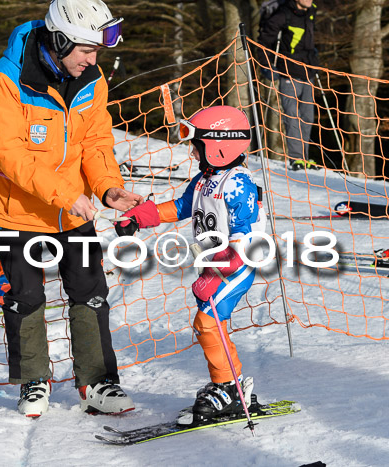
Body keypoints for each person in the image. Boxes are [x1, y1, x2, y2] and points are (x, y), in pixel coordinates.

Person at [0, 0, 143, 418]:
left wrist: (108, 189)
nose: (92, 61)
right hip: (17, 207)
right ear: (60, 40)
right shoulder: (5, 80)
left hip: (74, 208)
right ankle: (33, 379)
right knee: (27, 294)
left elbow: (96, 143)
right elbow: (8, 154)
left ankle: (99, 380)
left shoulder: (93, 78)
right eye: (86, 50)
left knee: (90, 289)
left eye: (96, 52)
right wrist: (64, 194)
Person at [114, 105, 263, 424]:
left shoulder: (238, 184)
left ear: (219, 147)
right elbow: (183, 206)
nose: (194, 154)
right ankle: (234, 386)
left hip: (237, 265)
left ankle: (227, 388)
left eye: (198, 147)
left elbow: (244, 237)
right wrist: (141, 217)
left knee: (206, 322)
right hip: (213, 263)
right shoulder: (206, 178)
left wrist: (220, 271)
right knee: (214, 322)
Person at [258, 0, 319, 170]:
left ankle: (305, 158)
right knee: (292, 114)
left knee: (307, 116)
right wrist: (266, 66)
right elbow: (263, 42)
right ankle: (296, 157)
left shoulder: (311, 11)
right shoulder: (282, 15)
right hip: (288, 72)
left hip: (309, 71)